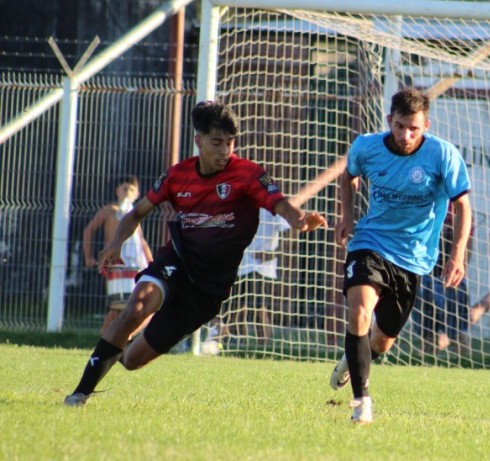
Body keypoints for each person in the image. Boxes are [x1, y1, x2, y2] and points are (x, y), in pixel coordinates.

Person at [64, 100, 326, 406]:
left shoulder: (249, 174)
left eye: (230, 143)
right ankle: (79, 393)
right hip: (177, 260)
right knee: (135, 307)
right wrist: (115, 243)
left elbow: (280, 202)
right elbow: (136, 213)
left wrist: (298, 219)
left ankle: (117, 350)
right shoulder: (177, 176)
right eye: (216, 143)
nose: (224, 151)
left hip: (208, 288)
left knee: (133, 360)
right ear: (198, 140)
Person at [329, 87, 472, 424]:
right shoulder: (366, 147)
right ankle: (362, 401)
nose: (406, 135)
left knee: (382, 342)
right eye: (399, 126)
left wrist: (457, 255)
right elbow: (348, 175)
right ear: (389, 121)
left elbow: (462, 205)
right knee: (359, 313)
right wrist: (348, 217)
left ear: (426, 125)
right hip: (371, 243)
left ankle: (354, 358)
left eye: (414, 129)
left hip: (414, 258)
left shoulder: (442, 155)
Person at [82, 175, 154, 335]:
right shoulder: (109, 211)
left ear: (137, 194)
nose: (128, 192)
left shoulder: (135, 214)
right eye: (124, 189)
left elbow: (141, 241)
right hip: (117, 263)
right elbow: (88, 231)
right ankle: (107, 341)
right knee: (118, 307)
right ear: (117, 191)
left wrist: (152, 263)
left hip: (136, 265)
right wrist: (89, 257)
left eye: (131, 189)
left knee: (143, 307)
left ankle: (121, 338)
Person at [213, 208, 291, 345]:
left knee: (259, 310)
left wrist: (273, 253)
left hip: (261, 268)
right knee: (235, 308)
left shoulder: (273, 206)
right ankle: (235, 341)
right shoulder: (240, 204)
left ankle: (265, 345)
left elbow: (290, 232)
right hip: (240, 265)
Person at [415, 203, 474, 356]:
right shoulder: (424, 201)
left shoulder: (459, 206)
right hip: (427, 275)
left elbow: (467, 241)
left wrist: (462, 267)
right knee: (427, 329)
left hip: (451, 277)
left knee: (457, 330)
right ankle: (426, 361)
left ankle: (465, 360)